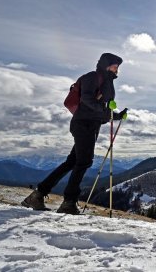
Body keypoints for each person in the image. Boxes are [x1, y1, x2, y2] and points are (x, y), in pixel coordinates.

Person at [22, 53, 128, 214]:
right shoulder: (92, 77)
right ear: (106, 65)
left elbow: (101, 110)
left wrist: (117, 115)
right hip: (83, 124)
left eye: (118, 67)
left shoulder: (107, 82)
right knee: (84, 161)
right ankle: (69, 202)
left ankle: (37, 195)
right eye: (114, 65)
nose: (116, 69)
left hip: (91, 125)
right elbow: (87, 100)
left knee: (72, 162)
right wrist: (106, 112)